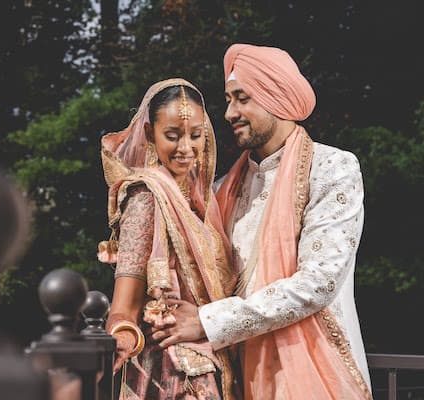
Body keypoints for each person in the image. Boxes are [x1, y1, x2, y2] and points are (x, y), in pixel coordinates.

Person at [151, 44, 373, 399]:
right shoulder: (223, 189)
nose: (228, 113)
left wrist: (208, 321)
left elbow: (318, 283)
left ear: (277, 98)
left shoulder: (332, 169)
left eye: (242, 98)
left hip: (315, 374)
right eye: (228, 99)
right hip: (238, 375)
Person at [98, 78, 238, 399]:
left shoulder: (202, 202)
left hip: (208, 363)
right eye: (172, 136)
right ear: (150, 135)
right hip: (166, 371)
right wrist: (121, 335)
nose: (186, 148)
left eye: (196, 135)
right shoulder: (146, 195)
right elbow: (125, 305)